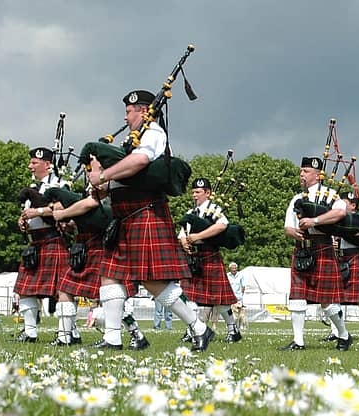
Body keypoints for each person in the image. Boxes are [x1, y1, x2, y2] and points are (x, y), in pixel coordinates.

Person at [87, 90, 212, 351]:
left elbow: (140, 162)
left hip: (145, 213)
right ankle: (112, 337)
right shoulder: (130, 141)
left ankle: (199, 328)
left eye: (128, 111)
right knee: (109, 275)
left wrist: (104, 175)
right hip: (124, 216)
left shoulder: (153, 133)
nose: (125, 116)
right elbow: (122, 176)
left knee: (152, 280)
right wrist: (102, 183)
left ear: (143, 111)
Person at [50, 171, 149, 349]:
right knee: (65, 287)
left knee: (111, 298)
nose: (89, 171)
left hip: (102, 246)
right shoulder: (93, 185)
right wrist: (71, 224)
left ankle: (136, 334)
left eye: (91, 164)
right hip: (86, 246)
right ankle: (65, 337)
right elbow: (88, 214)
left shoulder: (109, 183)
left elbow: (93, 205)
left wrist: (63, 213)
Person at [280, 157, 352, 351]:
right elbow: (287, 226)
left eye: (306, 171)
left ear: (318, 174)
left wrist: (315, 221)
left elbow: (340, 213)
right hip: (301, 249)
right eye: (301, 171)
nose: (302, 175)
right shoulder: (296, 198)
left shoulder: (331, 195)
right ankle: (298, 341)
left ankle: (344, 335)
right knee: (296, 296)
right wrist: (294, 232)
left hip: (322, 249)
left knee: (327, 301)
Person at [14, 147, 71, 342]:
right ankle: (30, 332)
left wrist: (37, 212)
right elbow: (30, 214)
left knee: (61, 290)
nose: (30, 166)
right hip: (35, 243)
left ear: (47, 164)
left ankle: (67, 334)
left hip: (53, 240)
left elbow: (64, 208)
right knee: (25, 289)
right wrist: (23, 222)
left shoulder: (60, 184)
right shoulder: (34, 187)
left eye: (34, 163)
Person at [179, 178, 241, 343]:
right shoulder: (191, 213)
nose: (194, 195)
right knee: (189, 297)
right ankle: (192, 329)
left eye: (198, 192)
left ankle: (232, 329)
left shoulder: (214, 209)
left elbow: (222, 225)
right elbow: (182, 233)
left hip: (210, 256)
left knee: (218, 299)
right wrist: (184, 242)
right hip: (194, 257)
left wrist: (198, 236)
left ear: (208, 193)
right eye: (193, 192)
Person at [329, 192, 359, 342]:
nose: (342, 205)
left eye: (345, 202)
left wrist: (346, 231)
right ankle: (336, 331)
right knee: (333, 297)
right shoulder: (335, 216)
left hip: (354, 257)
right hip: (338, 257)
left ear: (353, 205)